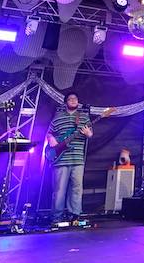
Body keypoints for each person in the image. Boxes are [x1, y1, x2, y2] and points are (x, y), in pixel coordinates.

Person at [45, 91, 92, 221]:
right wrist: (51, 139)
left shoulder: (84, 117)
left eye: (75, 98)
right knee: (59, 189)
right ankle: (56, 217)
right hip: (61, 159)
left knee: (77, 188)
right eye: (70, 98)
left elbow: (90, 133)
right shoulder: (58, 117)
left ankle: (74, 215)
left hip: (78, 158)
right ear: (66, 102)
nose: (73, 100)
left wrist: (89, 134)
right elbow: (49, 133)